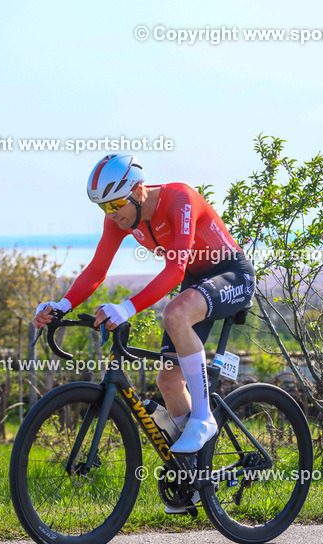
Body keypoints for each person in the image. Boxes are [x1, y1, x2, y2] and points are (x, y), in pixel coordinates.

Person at [33, 154, 255, 511]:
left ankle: (204, 418)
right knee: (168, 381)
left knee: (175, 312)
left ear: (138, 190)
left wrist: (126, 308)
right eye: (103, 207)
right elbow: (97, 270)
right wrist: (62, 305)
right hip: (196, 282)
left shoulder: (179, 199)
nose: (111, 213)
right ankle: (194, 477)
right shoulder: (120, 217)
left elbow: (175, 271)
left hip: (231, 274)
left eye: (115, 204)